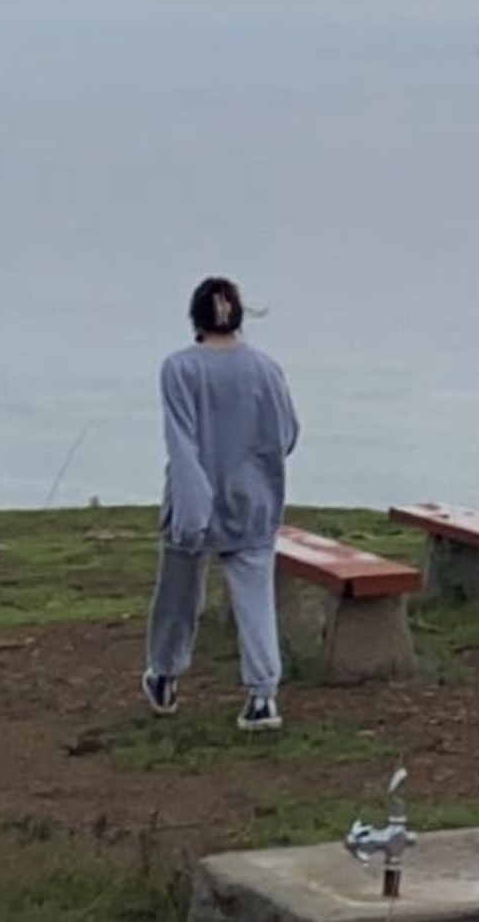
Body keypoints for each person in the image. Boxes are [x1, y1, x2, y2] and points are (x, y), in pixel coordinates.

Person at [142, 276, 300, 733]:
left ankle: (166, 676)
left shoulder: (179, 369)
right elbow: (287, 434)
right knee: (254, 597)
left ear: (195, 317)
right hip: (254, 499)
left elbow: (182, 443)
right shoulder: (267, 369)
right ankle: (262, 696)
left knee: (177, 594)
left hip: (194, 502)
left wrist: (192, 508)